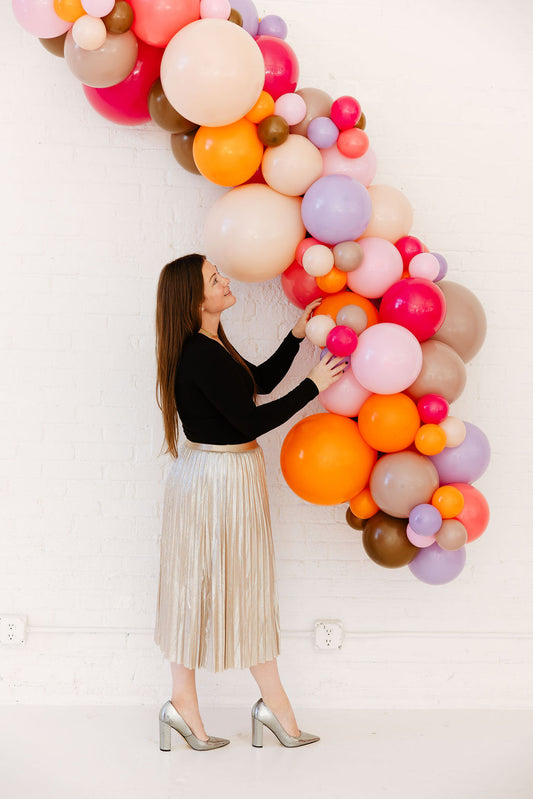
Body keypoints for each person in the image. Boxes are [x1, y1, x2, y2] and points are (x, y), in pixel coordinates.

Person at [153, 253, 345, 751]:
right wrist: (313, 386)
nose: (226, 280)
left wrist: (296, 338)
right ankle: (194, 706)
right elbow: (251, 421)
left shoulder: (211, 344)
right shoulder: (197, 352)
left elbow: (254, 384)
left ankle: (263, 707)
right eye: (215, 280)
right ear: (194, 300)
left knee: (243, 586)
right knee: (200, 588)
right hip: (214, 481)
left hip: (229, 477)